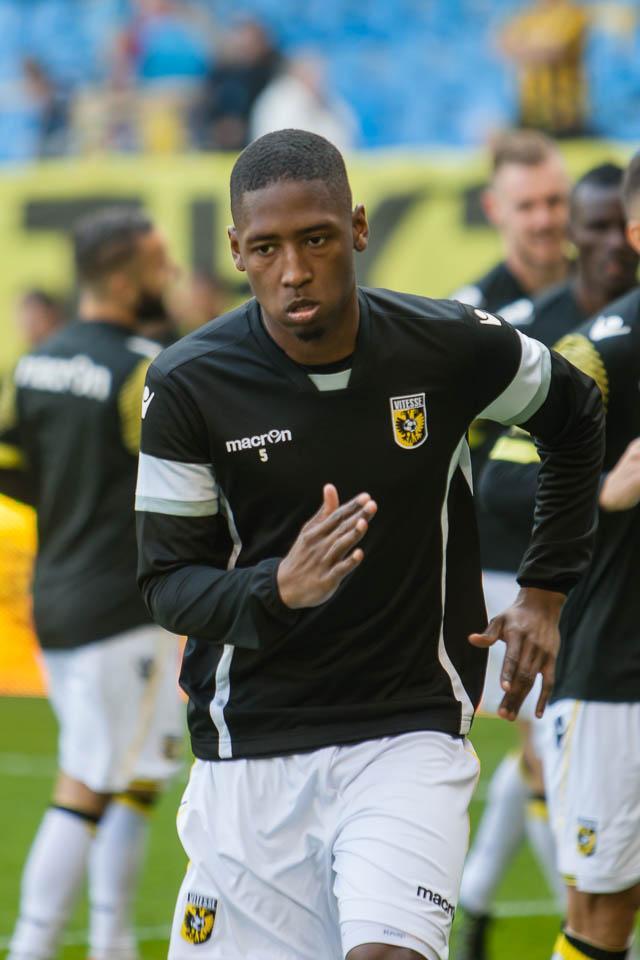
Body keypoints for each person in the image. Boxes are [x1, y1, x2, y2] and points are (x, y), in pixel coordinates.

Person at [135, 129, 604, 960]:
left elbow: (577, 415)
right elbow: (168, 584)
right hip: (251, 746)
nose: (294, 270)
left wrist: (545, 590)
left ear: (357, 228)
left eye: (316, 239)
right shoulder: (187, 384)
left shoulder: (451, 344)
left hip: (407, 730)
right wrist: (278, 588)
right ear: (237, 251)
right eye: (268, 248)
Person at [456, 160, 639, 959]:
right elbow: (497, 473)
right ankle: (482, 908)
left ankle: (479, 906)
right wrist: (601, 492)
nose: (607, 244)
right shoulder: (579, 343)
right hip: (571, 619)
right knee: (599, 904)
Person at [1, 208, 184, 960]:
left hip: (58, 595)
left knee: (131, 775)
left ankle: (111, 940)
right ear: (124, 276)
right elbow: (178, 485)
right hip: (123, 606)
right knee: (89, 780)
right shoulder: (143, 368)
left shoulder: (38, 361)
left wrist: (64, 520)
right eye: (158, 262)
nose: (169, 274)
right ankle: (34, 945)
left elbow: (10, 469)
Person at [499, 0, 589, 137]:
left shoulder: (571, 13)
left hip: (562, 113)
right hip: (530, 109)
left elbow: (555, 50)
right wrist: (533, 49)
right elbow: (503, 44)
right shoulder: (530, 15)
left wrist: (522, 49)